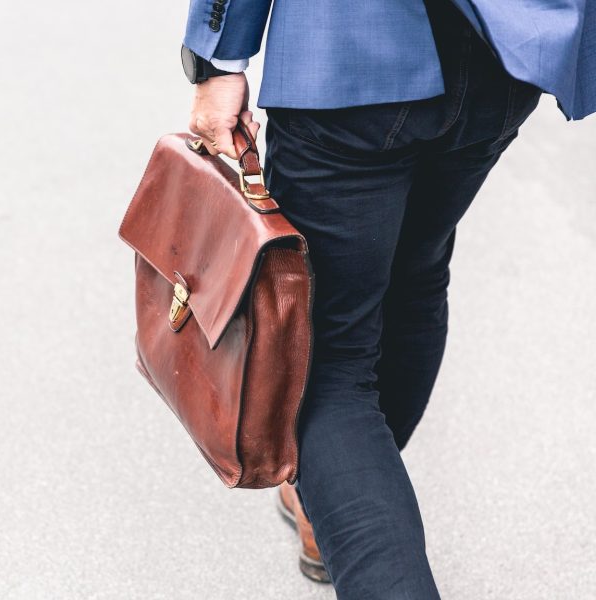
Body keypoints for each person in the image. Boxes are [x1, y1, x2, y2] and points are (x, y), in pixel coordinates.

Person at [180, 0, 595, 597]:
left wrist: (219, 58)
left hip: (349, 57)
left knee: (325, 363)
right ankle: (336, 496)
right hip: (502, 59)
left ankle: (341, 492)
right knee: (416, 274)